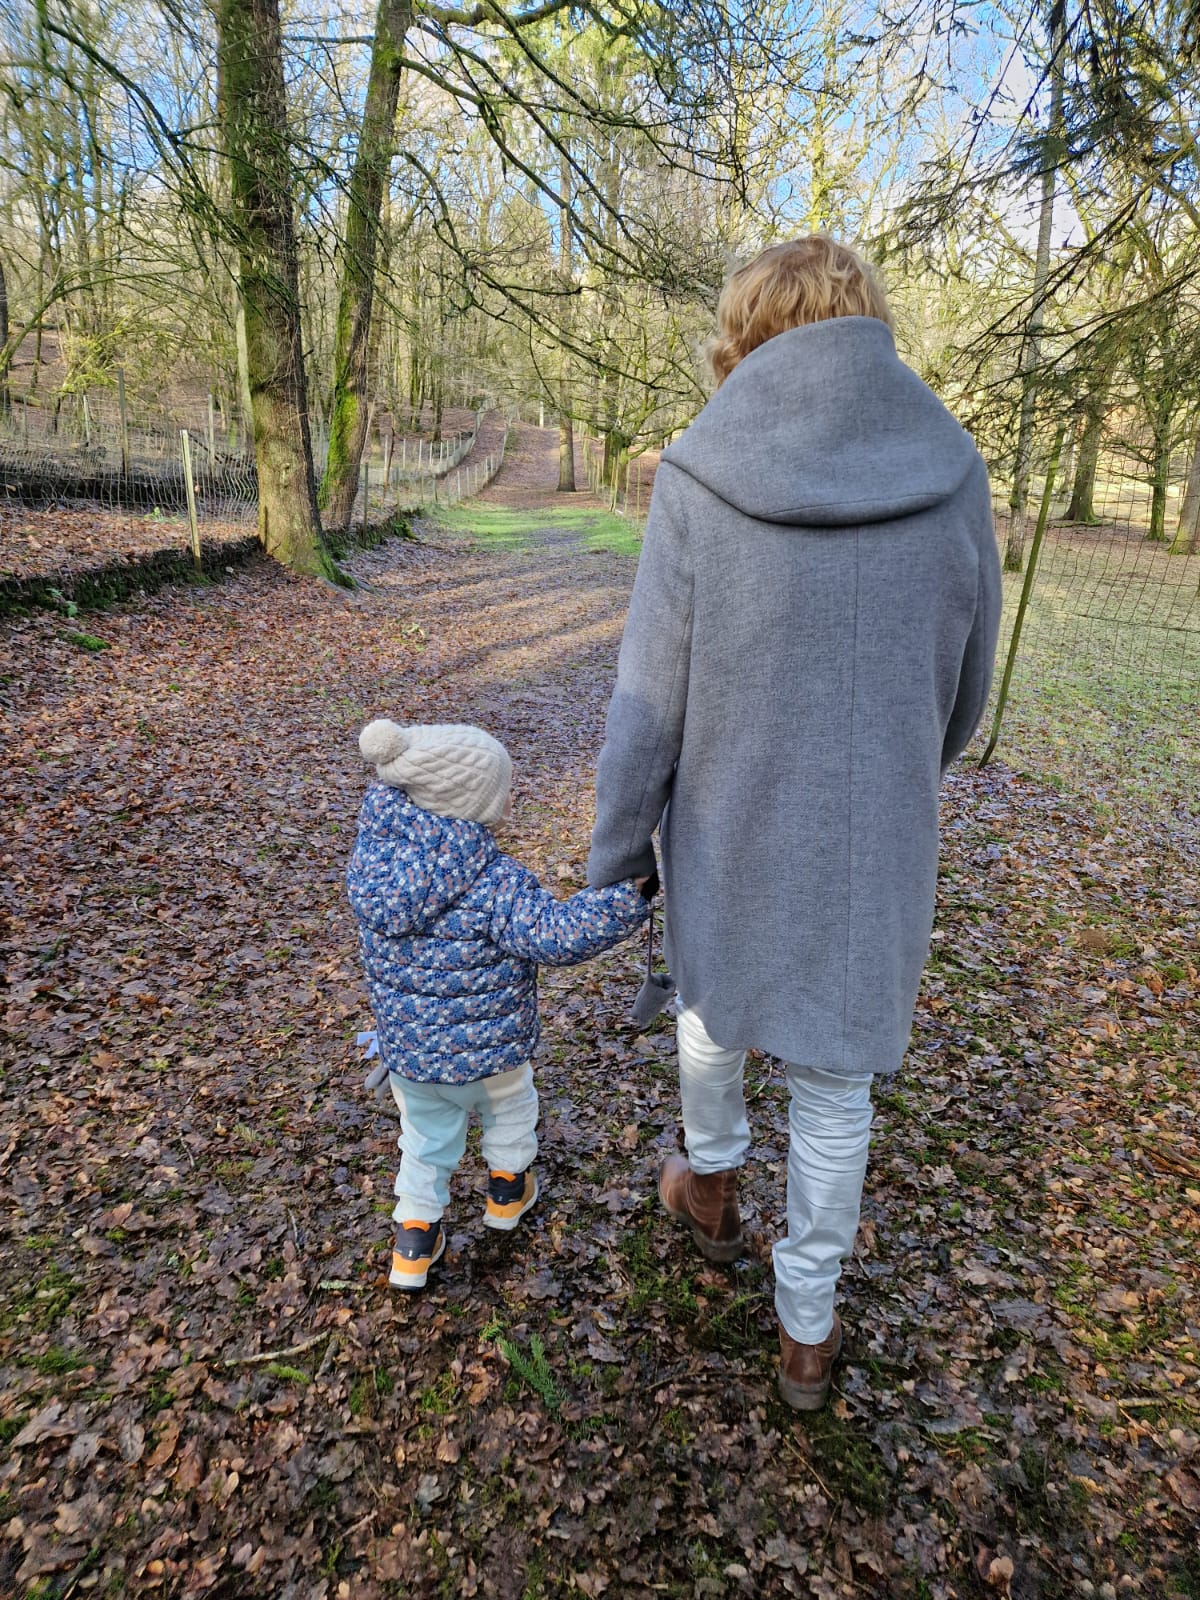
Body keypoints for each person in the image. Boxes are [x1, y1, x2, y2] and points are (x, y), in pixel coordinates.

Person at [587, 236, 1002, 1409]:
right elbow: (962, 696)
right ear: (867, 323)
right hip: (876, 837)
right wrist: (891, 769)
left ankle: (710, 1186)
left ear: (744, 336)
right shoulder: (953, 469)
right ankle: (806, 1332)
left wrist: (617, 861)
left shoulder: (697, 477)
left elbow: (646, 708)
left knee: (713, 1014)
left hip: (728, 822)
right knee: (835, 1082)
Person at [347, 718, 652, 1289]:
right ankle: (507, 1194)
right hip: (492, 1056)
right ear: (472, 803)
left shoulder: (373, 874)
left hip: (411, 1059)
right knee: (510, 1111)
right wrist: (622, 903)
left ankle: (413, 1242)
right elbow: (554, 933)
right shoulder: (494, 882)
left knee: (425, 1143)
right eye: (503, 793)